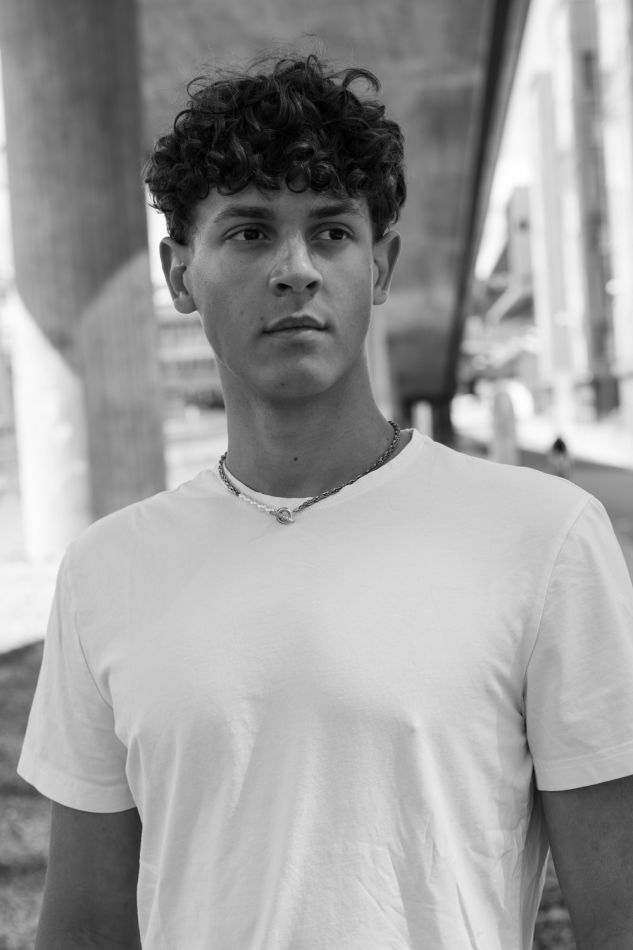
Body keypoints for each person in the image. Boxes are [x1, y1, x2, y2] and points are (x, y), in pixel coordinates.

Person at [18, 52, 633, 950]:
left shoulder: (542, 539)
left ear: (379, 267)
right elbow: (83, 927)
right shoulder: (105, 571)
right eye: (248, 232)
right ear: (179, 273)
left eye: (332, 232)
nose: (295, 269)